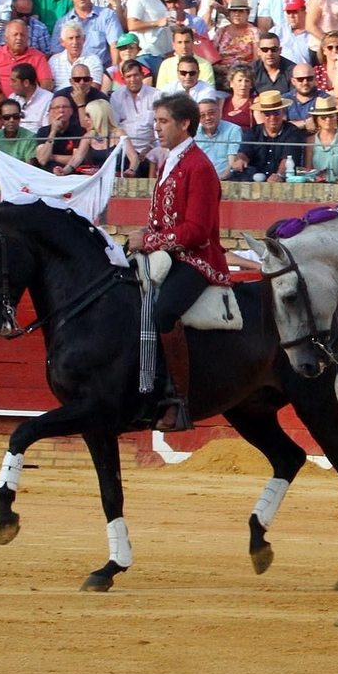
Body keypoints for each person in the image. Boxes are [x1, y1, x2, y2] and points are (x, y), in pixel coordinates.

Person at [125, 92, 229, 434]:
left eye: (164, 121)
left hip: (197, 260)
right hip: (166, 255)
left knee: (165, 311)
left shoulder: (199, 167)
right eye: (156, 121)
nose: (157, 128)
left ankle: (178, 400)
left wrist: (150, 240)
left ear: (185, 124)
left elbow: (198, 231)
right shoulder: (171, 159)